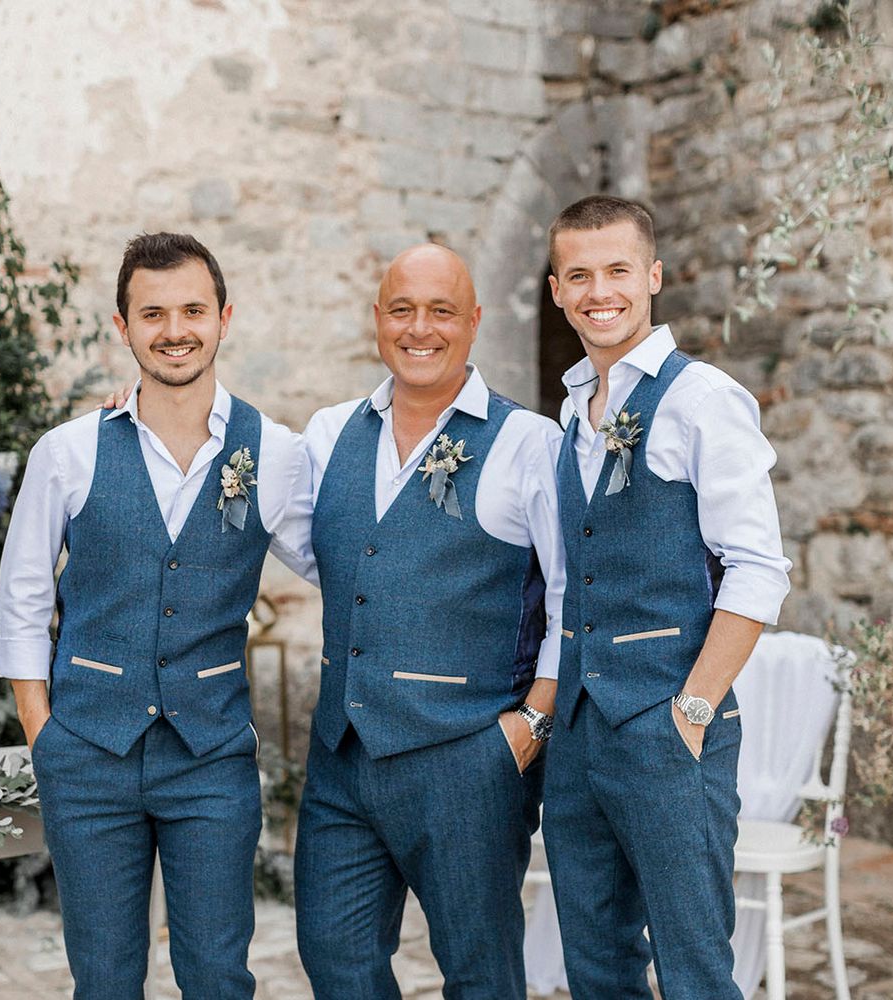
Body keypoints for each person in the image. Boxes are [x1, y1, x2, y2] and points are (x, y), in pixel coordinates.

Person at [0, 233, 313, 999]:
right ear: (123, 326)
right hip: (88, 753)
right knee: (103, 979)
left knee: (217, 976)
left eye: (193, 310)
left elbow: (346, 562)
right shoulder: (68, 451)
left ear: (224, 317)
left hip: (211, 758)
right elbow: (23, 598)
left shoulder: (275, 453)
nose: (176, 330)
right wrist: (47, 736)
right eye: (154, 313)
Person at [291, 243, 565, 1000]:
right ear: (378, 320)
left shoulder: (529, 444)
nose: (421, 328)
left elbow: (575, 600)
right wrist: (146, 407)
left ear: (474, 322)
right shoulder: (325, 434)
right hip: (341, 761)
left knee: (481, 978)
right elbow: (238, 488)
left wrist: (529, 726)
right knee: (335, 964)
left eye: (441, 311)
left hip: (468, 762)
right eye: (402, 309)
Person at [541, 195, 791, 998]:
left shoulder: (701, 398)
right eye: (578, 275)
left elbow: (757, 567)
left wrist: (692, 711)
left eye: (617, 270)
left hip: (669, 728)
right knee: (597, 966)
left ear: (652, 275)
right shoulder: (573, 411)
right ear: (555, 290)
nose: (598, 290)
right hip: (580, 739)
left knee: (694, 971)